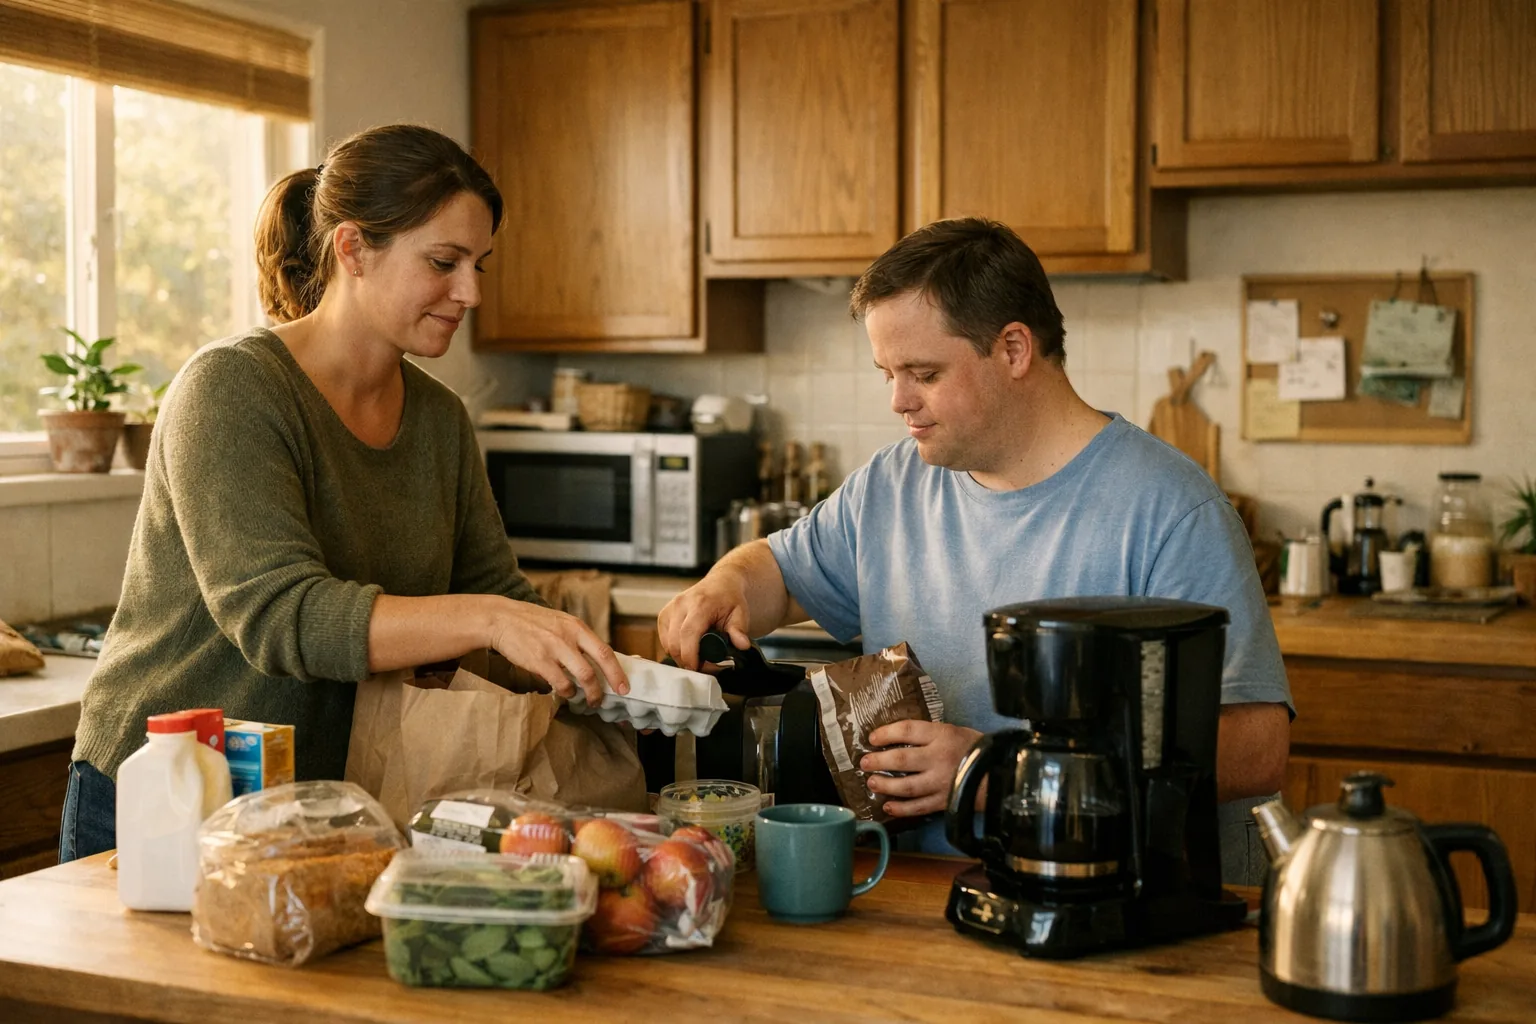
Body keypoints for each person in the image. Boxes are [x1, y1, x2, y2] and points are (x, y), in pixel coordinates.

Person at [659, 217, 1291, 882]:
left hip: (1115, 906)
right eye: (888, 374)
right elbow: (782, 574)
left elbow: (1254, 748)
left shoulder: (1169, 510)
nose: (900, 401)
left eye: (923, 373)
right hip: (918, 899)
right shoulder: (892, 484)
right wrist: (725, 585)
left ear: (1014, 349)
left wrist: (1000, 772)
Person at [59, 124, 628, 863]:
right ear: (353, 250)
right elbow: (281, 616)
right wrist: (491, 619)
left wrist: (610, 673)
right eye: (444, 262)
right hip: (168, 795)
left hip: (324, 802)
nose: (472, 292)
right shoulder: (232, 389)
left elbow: (492, 591)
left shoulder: (439, 420)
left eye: (479, 264)